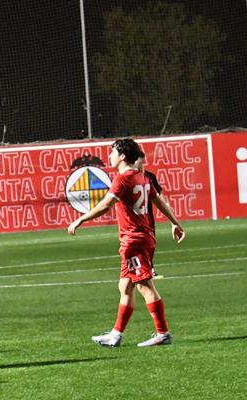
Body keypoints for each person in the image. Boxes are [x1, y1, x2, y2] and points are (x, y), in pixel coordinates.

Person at [67, 138, 186, 347]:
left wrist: (80, 220)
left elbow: (106, 205)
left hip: (134, 240)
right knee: (125, 286)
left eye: (112, 152)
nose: (109, 156)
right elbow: (159, 201)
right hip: (142, 237)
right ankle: (116, 334)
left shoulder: (123, 179)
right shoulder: (143, 177)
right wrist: (175, 223)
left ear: (122, 156)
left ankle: (163, 333)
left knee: (144, 286)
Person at [135, 152, 164, 277]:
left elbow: (158, 194)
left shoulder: (150, 177)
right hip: (133, 218)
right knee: (135, 244)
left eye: (143, 162)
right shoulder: (128, 177)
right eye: (139, 162)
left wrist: (166, 206)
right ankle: (138, 269)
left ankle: (150, 268)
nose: (141, 164)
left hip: (147, 216)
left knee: (150, 242)